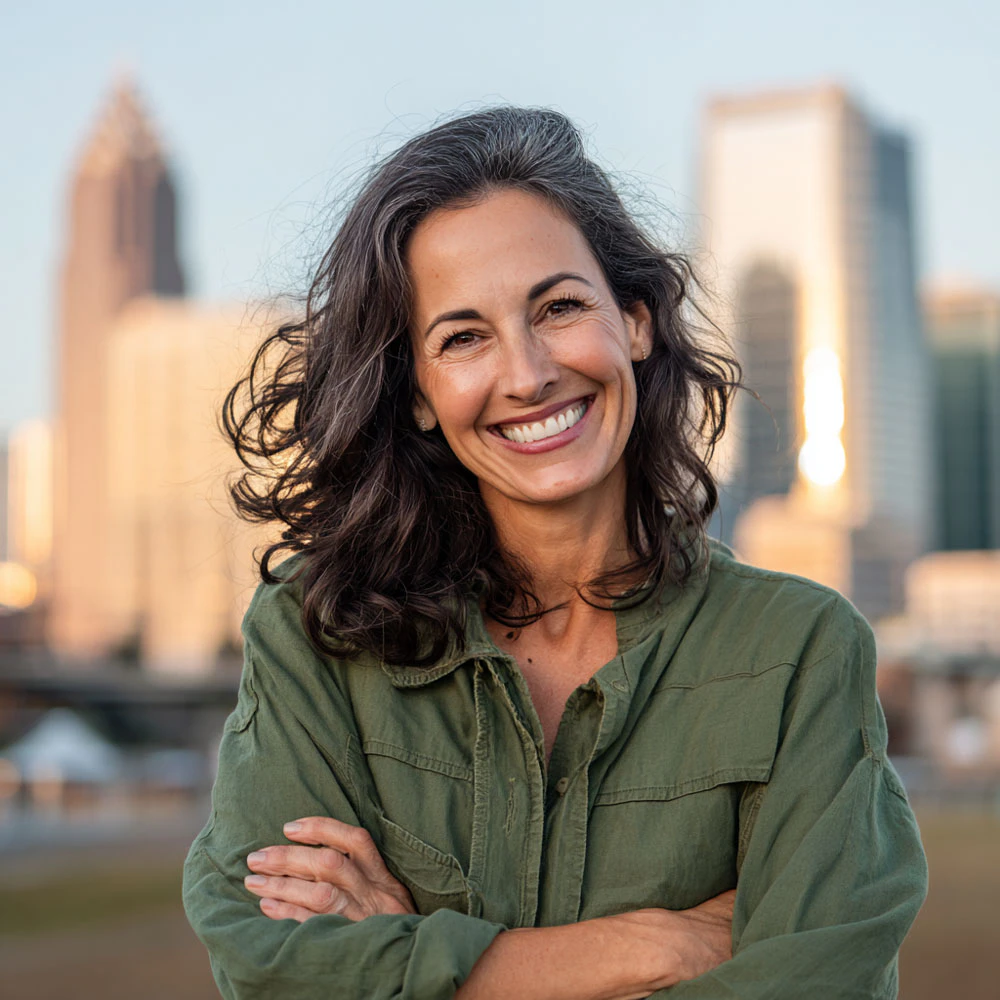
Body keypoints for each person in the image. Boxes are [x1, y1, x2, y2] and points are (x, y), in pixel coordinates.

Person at [182, 106, 928, 999]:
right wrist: (648, 948)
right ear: (417, 393)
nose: (528, 373)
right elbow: (276, 976)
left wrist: (409, 961)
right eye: (462, 338)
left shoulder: (801, 652)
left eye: (561, 307)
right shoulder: (316, 637)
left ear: (637, 322)